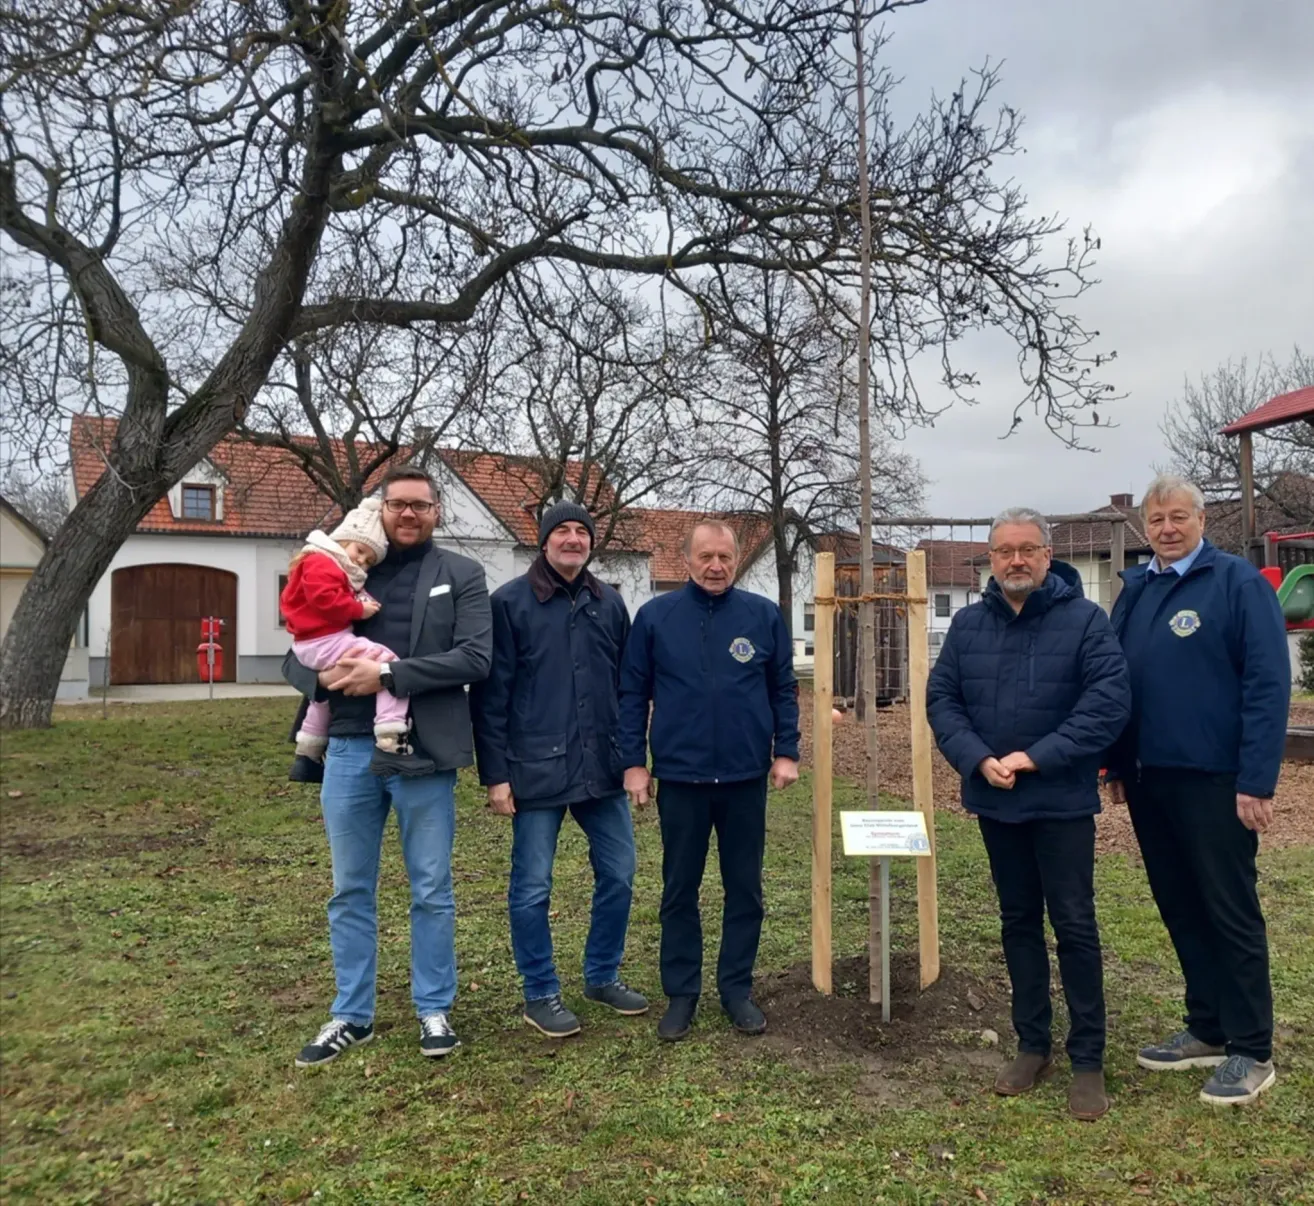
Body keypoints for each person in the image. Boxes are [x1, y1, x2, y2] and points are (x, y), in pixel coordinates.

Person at [282, 465, 492, 1067]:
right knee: (350, 889)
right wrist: (317, 675)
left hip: (421, 750)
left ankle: (434, 1007)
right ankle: (352, 1013)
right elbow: (295, 647)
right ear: (380, 508)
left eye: (420, 506)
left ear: (437, 512)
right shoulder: (343, 561)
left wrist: (390, 674)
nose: (408, 514)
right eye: (398, 504)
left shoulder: (461, 573)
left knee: (430, 887)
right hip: (347, 748)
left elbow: (477, 658)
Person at [927, 507, 1130, 1121]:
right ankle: (1033, 1044)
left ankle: (1088, 1058)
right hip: (997, 799)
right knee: (1017, 922)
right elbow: (943, 699)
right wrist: (976, 758)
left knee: (1073, 925)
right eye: (1004, 551)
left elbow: (1107, 704)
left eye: (1028, 549)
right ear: (990, 559)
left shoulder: (1086, 621)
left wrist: (1036, 758)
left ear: (1048, 555)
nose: (1016, 560)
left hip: (1061, 802)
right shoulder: (967, 625)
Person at [1106, 475, 1288, 1107]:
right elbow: (1116, 683)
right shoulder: (1135, 590)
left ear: (1202, 519)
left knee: (1228, 909)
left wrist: (1256, 780)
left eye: (1178, 517)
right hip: (1151, 779)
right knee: (1180, 905)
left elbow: (1268, 685)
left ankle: (1251, 1048)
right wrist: (1116, 764)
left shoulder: (1236, 584)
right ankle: (1208, 1028)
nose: (1166, 528)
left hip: (1217, 781)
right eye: (1156, 520)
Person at [618, 519, 799, 1042]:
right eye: (706, 557)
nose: (716, 566)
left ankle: (736, 989)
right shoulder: (655, 618)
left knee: (745, 888)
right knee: (679, 889)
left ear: (737, 559)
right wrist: (634, 764)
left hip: (745, 778)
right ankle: (681, 993)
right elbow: (633, 696)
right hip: (681, 778)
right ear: (687, 560)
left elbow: (783, 689)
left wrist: (785, 751)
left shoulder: (762, 616)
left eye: (725, 557)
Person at [471, 501, 648, 1038]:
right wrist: (495, 775)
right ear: (544, 540)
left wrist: (632, 758)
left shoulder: (610, 603)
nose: (573, 540)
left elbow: (628, 687)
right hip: (535, 771)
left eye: (581, 532)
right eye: (562, 531)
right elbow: (491, 697)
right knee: (532, 886)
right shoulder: (509, 605)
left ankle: (601, 974)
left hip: (602, 769)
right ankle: (540, 991)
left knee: (618, 874)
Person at [279, 498, 418, 782]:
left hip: (309, 645)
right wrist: (359, 609)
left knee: (324, 698)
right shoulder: (322, 563)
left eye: (368, 560)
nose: (361, 561)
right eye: (359, 551)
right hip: (325, 641)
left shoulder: (321, 565)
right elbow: (325, 599)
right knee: (388, 663)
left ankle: (309, 745)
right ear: (343, 540)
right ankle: (391, 730)